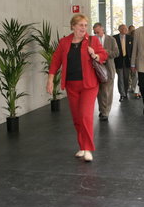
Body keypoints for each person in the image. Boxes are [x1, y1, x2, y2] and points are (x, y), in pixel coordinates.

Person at [46, 14, 107, 162]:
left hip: (89, 85)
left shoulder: (92, 40)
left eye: (85, 25)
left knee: (85, 115)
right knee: (77, 118)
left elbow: (103, 54)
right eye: (80, 25)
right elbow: (55, 61)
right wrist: (50, 80)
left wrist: (96, 55)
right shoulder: (64, 42)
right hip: (72, 85)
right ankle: (82, 146)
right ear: (73, 26)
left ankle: (88, 148)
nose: (83, 28)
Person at [93, 22, 119, 121]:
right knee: (100, 92)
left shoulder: (111, 40)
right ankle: (102, 110)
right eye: (95, 32)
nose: (96, 34)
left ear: (102, 29)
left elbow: (116, 53)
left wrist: (104, 52)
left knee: (107, 92)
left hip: (108, 69)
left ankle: (106, 112)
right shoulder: (93, 40)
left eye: (98, 31)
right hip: (97, 69)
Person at [113, 24, 133, 102]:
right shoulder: (114, 38)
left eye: (126, 28)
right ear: (119, 29)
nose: (125, 30)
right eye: (123, 28)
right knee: (120, 78)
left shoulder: (130, 38)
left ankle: (125, 90)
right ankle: (122, 94)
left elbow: (133, 50)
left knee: (126, 78)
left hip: (127, 61)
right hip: (118, 60)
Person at [127, 25, 141, 99]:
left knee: (138, 76)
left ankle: (137, 91)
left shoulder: (141, 41)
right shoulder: (130, 41)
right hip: (135, 61)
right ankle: (136, 91)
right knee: (136, 76)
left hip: (141, 61)